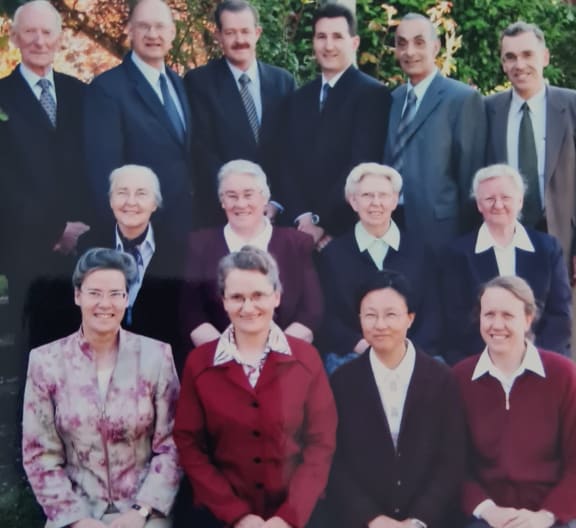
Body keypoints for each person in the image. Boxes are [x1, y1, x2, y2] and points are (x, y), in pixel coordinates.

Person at [174, 246, 337, 528]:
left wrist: (287, 517)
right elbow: (190, 446)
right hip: (221, 517)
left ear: (276, 297)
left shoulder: (305, 359)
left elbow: (320, 446)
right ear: (223, 301)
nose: (248, 308)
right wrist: (237, 516)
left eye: (258, 296)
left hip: (297, 518)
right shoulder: (199, 363)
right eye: (237, 297)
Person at [22, 248, 180, 528]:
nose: (104, 304)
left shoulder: (156, 356)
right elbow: (39, 455)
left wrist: (141, 511)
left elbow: (173, 446)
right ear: (77, 295)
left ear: (126, 298)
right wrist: (77, 519)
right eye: (94, 293)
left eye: (115, 294)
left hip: (144, 513)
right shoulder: (46, 362)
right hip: (74, 513)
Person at [325, 271, 466, 528]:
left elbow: (452, 459)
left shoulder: (441, 379)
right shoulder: (342, 382)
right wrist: (372, 519)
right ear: (359, 319)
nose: (380, 325)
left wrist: (418, 519)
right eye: (370, 315)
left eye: (391, 314)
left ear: (410, 318)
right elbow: (336, 461)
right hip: (362, 521)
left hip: (430, 521)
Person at [0, 0, 92, 350]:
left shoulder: (81, 93)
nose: (39, 41)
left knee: (83, 350)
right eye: (30, 32)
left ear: (59, 38)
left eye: (47, 32)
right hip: (26, 250)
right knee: (36, 354)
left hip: (83, 247)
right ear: (14, 38)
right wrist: (55, 230)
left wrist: (81, 229)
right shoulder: (2, 96)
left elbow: (93, 165)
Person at [454, 276, 576, 528]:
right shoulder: (459, 378)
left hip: (550, 515)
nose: (496, 324)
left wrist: (546, 515)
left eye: (508, 315)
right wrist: (487, 510)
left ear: (528, 319)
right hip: (485, 517)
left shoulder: (563, 375)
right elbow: (452, 462)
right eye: (489, 314)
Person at [272, 3, 390, 246]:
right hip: (298, 229)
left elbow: (361, 161)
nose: (328, 45)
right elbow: (286, 162)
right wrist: (303, 217)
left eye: (337, 36)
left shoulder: (372, 95)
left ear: (354, 43)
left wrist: (322, 222)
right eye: (321, 37)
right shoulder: (299, 98)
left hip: (344, 230)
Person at [181, 159, 322, 349]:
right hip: (219, 359)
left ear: (264, 198)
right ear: (222, 201)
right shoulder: (199, 244)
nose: (241, 204)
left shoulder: (296, 243)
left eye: (249, 195)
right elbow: (191, 311)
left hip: (284, 358)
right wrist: (228, 354)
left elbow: (311, 310)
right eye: (231, 196)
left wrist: (272, 354)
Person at [84, 0, 194, 237]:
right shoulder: (108, 89)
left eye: (160, 26)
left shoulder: (178, 83)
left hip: (187, 226)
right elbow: (104, 170)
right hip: (141, 231)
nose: (152, 34)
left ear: (172, 32)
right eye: (143, 26)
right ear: (129, 31)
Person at [441, 164, 571, 363]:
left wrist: (529, 356)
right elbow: (458, 320)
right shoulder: (458, 253)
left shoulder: (547, 248)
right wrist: (498, 357)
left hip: (542, 357)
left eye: (506, 198)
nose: (498, 205)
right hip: (479, 359)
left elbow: (560, 315)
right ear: (479, 205)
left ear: (520, 201)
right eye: (489, 199)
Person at [318, 163, 440, 373]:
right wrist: (361, 346)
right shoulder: (333, 255)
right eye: (367, 195)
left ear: (394, 200)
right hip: (354, 354)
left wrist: (405, 352)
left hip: (414, 353)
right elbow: (328, 318)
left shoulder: (420, 251)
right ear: (353, 202)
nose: (376, 203)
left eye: (383, 195)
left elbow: (433, 314)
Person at [184, 0, 296, 226]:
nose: (240, 40)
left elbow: (292, 149)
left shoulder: (283, 81)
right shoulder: (199, 83)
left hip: (275, 213)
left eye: (245, 31)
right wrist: (240, 200)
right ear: (218, 36)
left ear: (257, 33)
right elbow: (203, 150)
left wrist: (275, 201)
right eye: (230, 32)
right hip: (223, 212)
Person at [383, 13, 486, 253]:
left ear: (436, 47)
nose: (410, 52)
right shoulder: (393, 99)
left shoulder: (461, 99)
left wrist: (467, 239)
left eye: (419, 42)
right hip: (391, 224)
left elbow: (471, 177)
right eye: (402, 43)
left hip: (441, 231)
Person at [485, 22, 576, 276]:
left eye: (527, 55)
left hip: (562, 236)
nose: (519, 65)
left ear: (545, 57)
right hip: (504, 235)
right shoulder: (487, 110)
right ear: (503, 64)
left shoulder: (571, 106)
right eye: (510, 57)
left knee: (562, 314)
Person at [78, 165, 186, 371]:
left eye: (141, 194)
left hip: (158, 365)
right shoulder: (88, 246)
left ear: (155, 204)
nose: (131, 202)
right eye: (122, 193)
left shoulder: (178, 250)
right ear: (111, 201)